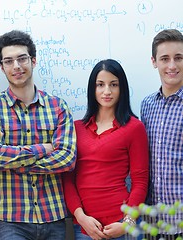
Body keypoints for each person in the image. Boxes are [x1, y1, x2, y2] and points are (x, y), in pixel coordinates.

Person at [0, 30, 77, 240]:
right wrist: (43, 148)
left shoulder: (58, 106)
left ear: (33, 60)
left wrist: (16, 165)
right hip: (9, 218)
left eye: (22, 58)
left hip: (53, 214)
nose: (16, 66)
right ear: (2, 67)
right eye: (9, 61)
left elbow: (67, 159)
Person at [63, 59, 149, 240]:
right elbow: (68, 179)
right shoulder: (76, 128)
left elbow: (140, 181)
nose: (107, 91)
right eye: (100, 85)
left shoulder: (134, 128)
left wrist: (128, 223)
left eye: (114, 84)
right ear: (92, 89)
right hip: (86, 228)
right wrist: (80, 217)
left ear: (122, 88)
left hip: (121, 226)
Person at [140, 29, 183, 238]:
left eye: (179, 58)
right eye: (165, 59)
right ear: (154, 61)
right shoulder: (147, 105)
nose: (172, 66)